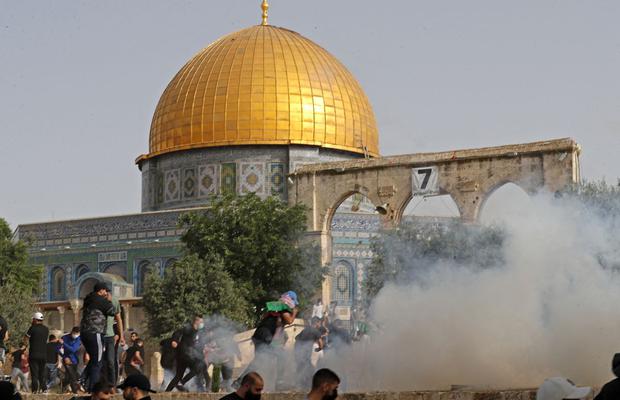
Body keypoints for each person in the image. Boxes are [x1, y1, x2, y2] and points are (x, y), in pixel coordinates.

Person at [237, 291, 299, 389]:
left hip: (259, 334)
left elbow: (266, 318)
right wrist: (295, 312)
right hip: (265, 335)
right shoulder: (283, 306)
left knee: (258, 361)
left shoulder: (274, 306)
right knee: (281, 355)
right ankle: (279, 383)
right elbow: (289, 320)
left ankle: (239, 382)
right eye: (294, 302)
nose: (294, 305)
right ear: (290, 300)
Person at [80, 282, 116, 392]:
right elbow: (112, 311)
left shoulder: (88, 299)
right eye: (105, 291)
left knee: (94, 358)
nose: (106, 293)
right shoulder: (101, 300)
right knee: (98, 361)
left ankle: (82, 379)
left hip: (85, 333)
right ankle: (93, 388)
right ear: (101, 290)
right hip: (95, 333)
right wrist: (109, 300)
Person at [165, 316, 210, 392]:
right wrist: (174, 340)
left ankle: (167, 391)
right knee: (199, 366)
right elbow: (178, 332)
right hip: (184, 354)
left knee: (178, 375)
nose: (202, 324)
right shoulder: (189, 329)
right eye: (201, 322)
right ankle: (181, 383)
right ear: (196, 321)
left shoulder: (198, 332)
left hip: (187, 355)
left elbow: (198, 346)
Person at [102, 290, 124, 387]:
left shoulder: (114, 302)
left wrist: (121, 336)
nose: (105, 297)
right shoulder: (98, 302)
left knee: (111, 360)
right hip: (100, 336)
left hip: (110, 336)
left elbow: (119, 319)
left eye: (107, 295)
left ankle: (113, 384)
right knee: (101, 361)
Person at [295, 317, 324, 390]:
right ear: (317, 323)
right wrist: (319, 349)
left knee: (301, 368)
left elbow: (296, 338)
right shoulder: (316, 331)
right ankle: (307, 386)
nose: (320, 325)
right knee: (309, 369)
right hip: (306, 353)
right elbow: (321, 344)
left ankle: (300, 385)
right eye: (319, 323)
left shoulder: (305, 330)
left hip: (299, 352)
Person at [24, 311, 48, 393]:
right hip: (44, 354)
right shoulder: (46, 329)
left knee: (34, 373)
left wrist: (26, 347)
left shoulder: (32, 328)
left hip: (34, 354)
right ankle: (44, 389)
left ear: (35, 319)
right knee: (42, 373)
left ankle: (34, 390)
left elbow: (26, 339)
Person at [62, 327, 83, 394]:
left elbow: (73, 349)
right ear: (72, 332)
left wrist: (64, 344)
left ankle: (64, 385)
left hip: (75, 360)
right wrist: (64, 357)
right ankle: (75, 391)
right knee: (72, 376)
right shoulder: (64, 338)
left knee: (70, 376)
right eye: (75, 333)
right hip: (66, 360)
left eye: (77, 334)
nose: (76, 335)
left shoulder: (79, 339)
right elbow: (58, 348)